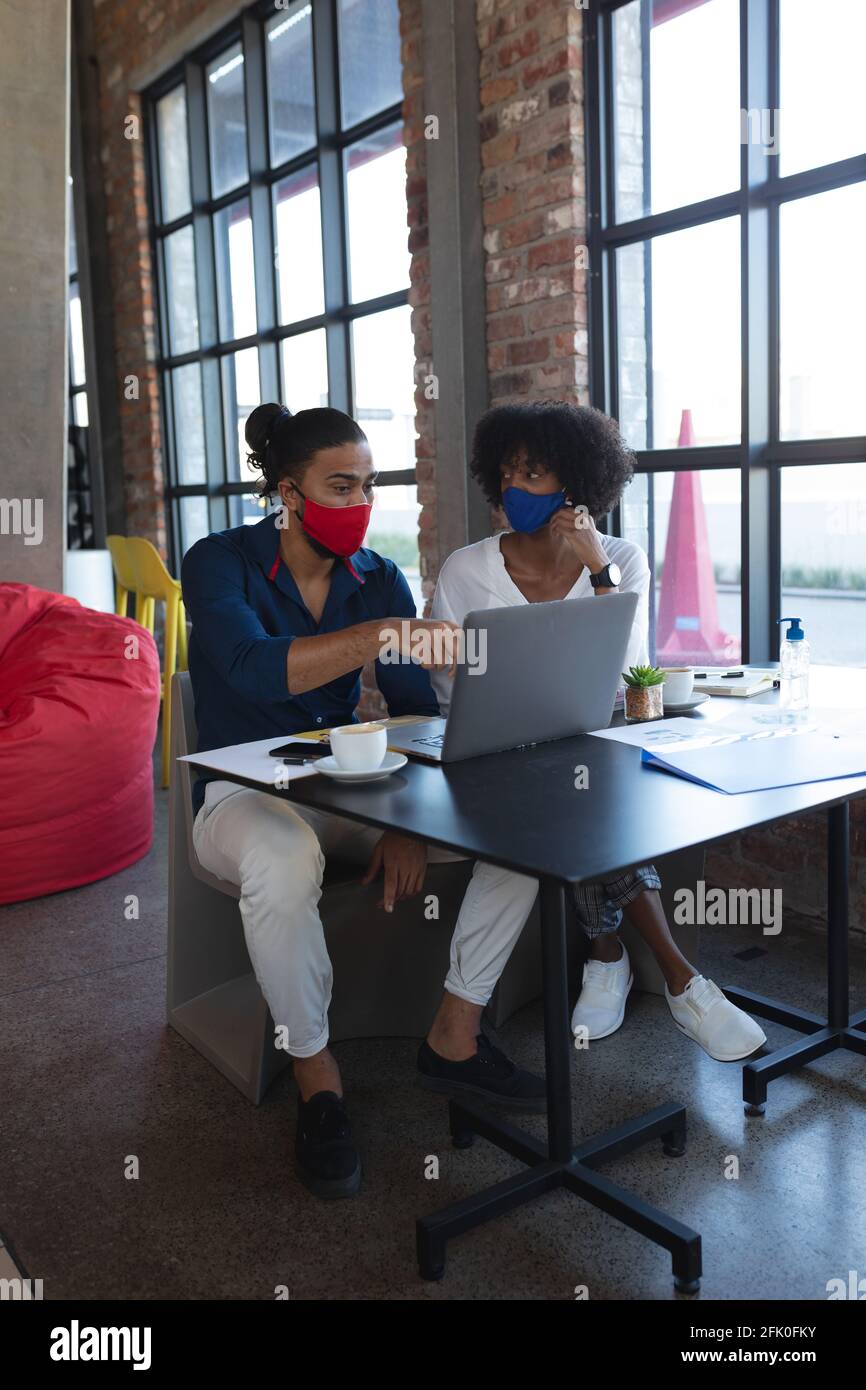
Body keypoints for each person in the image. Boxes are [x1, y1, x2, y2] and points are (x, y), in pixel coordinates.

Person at [181, 402, 546, 1202]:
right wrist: (381, 634)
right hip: (241, 799)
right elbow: (250, 668)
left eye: (368, 486)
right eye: (339, 487)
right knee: (283, 856)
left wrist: (408, 818)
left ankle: (456, 1031)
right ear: (287, 492)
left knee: (526, 832)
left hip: (355, 791)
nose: (358, 505)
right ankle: (319, 1081)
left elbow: (418, 713)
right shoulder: (217, 562)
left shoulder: (376, 575)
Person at [430, 400, 766, 1062]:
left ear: (577, 486)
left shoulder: (620, 559)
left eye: (534, 473)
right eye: (508, 472)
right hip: (494, 756)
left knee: (579, 784)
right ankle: (682, 981)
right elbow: (450, 693)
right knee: (571, 790)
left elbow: (626, 674)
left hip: (595, 744)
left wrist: (598, 571)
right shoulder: (467, 571)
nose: (514, 489)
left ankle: (608, 952)